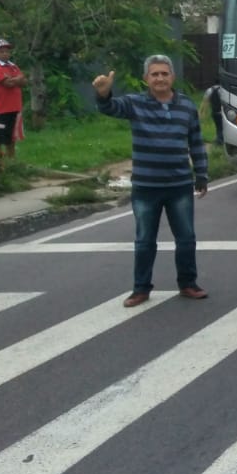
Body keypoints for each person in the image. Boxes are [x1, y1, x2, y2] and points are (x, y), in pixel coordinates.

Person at [93, 57, 209, 308]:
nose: (160, 78)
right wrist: (103, 95)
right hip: (146, 186)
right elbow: (110, 107)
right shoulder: (134, 103)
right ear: (146, 78)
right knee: (145, 240)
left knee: (186, 238)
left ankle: (188, 283)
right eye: (154, 74)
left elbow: (196, 142)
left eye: (164, 73)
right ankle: (141, 288)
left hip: (179, 185)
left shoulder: (186, 106)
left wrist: (201, 174)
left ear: (172, 77)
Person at [0, 38, 26, 158]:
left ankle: (11, 162)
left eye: (7, 51)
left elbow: (24, 81)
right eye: (1, 51)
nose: (5, 54)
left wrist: (14, 79)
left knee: (11, 139)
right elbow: (7, 84)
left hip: (14, 108)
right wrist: (17, 79)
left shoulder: (13, 66)